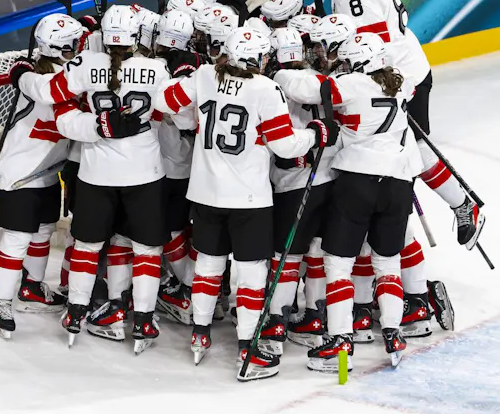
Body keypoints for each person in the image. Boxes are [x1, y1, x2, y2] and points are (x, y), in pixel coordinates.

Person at [153, 25, 338, 381]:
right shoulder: (265, 88)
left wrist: (190, 107)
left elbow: (164, 101)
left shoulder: (205, 75)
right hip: (249, 199)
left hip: (205, 194)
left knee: (208, 265)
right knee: (251, 272)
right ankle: (248, 348)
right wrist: (317, 133)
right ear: (259, 58)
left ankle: (200, 333)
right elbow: (284, 146)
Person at [17, 5, 171, 354]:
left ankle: (76, 311)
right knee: (145, 248)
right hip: (145, 173)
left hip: (95, 174)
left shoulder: (84, 63)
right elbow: (181, 115)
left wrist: (22, 76)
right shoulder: (156, 68)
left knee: (88, 245)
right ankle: (143, 317)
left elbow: (49, 95)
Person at [317, 0, 483, 250]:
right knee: (406, 151)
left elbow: (376, 48)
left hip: (402, 81)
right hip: (402, 75)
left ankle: (463, 204)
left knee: (413, 152)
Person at [275, 32, 417, 372]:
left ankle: (340, 339)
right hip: (398, 181)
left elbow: (308, 90)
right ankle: (394, 333)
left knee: (338, 264)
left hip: (357, 180)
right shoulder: (401, 84)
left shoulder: (353, 84)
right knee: (388, 262)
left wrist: (279, 72)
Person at [0, 13, 83, 338]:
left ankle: (32, 287)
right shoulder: (46, 82)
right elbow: (51, 90)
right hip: (19, 176)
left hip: (47, 173)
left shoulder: (43, 74)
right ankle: (1, 302)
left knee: (43, 231)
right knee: (17, 240)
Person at [259, 27, 338, 355]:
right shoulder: (318, 77)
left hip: (295, 182)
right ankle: (315, 316)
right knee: (317, 251)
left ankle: (276, 322)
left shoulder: (274, 84)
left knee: (285, 257)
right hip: (329, 178)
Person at [154, 9, 206, 325]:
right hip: (197, 168)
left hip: (163, 167)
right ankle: (204, 293)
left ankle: (185, 288)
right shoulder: (205, 67)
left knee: (164, 230)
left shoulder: (154, 67)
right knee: (193, 231)